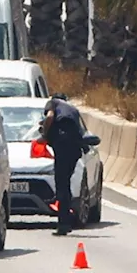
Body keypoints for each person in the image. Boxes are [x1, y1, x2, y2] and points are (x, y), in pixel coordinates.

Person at [40, 93, 85, 236]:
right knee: (65, 183)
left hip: (63, 146)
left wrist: (44, 135)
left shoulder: (53, 103)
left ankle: (63, 224)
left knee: (61, 185)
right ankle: (66, 219)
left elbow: (49, 117)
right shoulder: (72, 109)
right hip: (74, 149)